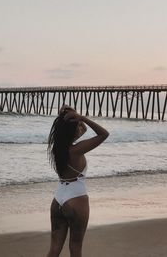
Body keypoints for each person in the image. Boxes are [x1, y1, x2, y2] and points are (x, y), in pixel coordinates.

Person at [46, 105, 109, 257]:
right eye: (78, 126)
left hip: (58, 201)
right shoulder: (76, 150)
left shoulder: (57, 149)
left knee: (54, 249)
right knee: (75, 248)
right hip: (76, 199)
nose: (81, 127)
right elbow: (104, 134)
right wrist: (81, 117)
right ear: (73, 131)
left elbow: (84, 130)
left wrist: (72, 116)